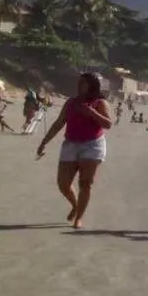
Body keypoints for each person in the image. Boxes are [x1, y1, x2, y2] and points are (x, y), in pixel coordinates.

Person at [36, 72, 113, 229]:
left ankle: (79, 217)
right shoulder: (71, 102)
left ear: (92, 86)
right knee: (63, 183)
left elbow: (108, 124)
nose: (79, 86)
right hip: (70, 144)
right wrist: (44, 142)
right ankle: (76, 204)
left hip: (93, 145)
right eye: (79, 82)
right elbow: (59, 123)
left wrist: (91, 112)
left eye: (83, 83)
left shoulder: (100, 103)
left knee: (85, 183)